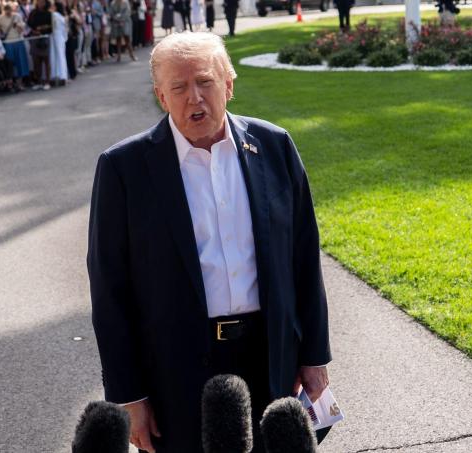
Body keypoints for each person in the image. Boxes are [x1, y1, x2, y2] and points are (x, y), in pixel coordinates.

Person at [87, 31, 332, 453]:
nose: (194, 98)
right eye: (179, 88)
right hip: (174, 370)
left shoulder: (274, 146)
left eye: (205, 82)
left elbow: (304, 258)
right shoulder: (123, 169)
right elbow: (109, 291)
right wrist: (129, 396)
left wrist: (314, 356)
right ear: (161, 97)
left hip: (270, 358)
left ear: (229, 85)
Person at [0, 2, 29, 90]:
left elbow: (22, 29)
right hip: (7, 42)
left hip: (18, 41)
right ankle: (11, 83)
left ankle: (19, 83)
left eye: (10, 9)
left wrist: (17, 25)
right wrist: (0, 36)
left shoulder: (17, 16)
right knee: (10, 63)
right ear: (4, 10)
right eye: (6, 10)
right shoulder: (0, 18)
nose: (8, 12)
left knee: (20, 63)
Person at [27, 0, 52, 90]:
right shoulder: (33, 13)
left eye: (42, 2)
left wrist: (42, 30)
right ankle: (39, 81)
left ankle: (47, 81)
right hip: (35, 38)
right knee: (36, 61)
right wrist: (34, 31)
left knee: (46, 60)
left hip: (45, 38)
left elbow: (51, 27)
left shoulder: (49, 14)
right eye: (39, 2)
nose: (40, 3)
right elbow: (29, 24)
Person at [49, 0, 69, 84]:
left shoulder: (54, 15)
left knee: (54, 56)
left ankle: (56, 75)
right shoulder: (62, 16)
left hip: (55, 36)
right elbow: (65, 29)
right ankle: (62, 75)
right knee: (61, 56)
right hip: (60, 37)